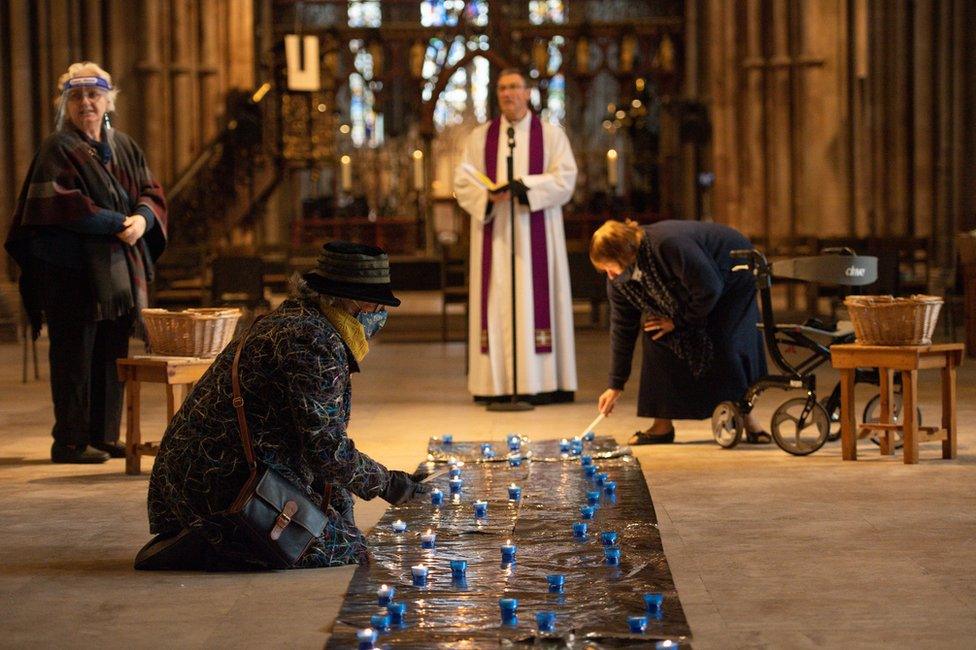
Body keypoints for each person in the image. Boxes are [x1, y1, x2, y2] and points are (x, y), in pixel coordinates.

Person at [141, 242, 431, 570]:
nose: (380, 317)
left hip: (204, 474)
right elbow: (326, 449)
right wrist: (390, 484)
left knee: (342, 533)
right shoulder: (313, 343)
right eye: (377, 306)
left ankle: (210, 534)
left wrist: (339, 514)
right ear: (355, 304)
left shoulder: (300, 320)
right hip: (216, 483)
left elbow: (318, 444)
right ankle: (210, 538)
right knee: (348, 549)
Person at [4, 61, 167, 464]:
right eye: (76, 96)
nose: (86, 103)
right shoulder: (58, 148)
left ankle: (104, 434)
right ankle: (71, 441)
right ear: (65, 104)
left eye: (93, 95)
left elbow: (151, 189)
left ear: (109, 99)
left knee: (111, 352)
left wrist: (142, 219)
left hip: (115, 276)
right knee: (74, 355)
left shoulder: (124, 145)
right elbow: (60, 204)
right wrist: (119, 224)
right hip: (70, 273)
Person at [454, 68, 578, 404]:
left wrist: (527, 188)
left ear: (528, 92)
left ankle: (544, 382)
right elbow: (463, 181)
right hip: (495, 234)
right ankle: (496, 385)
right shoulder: (481, 138)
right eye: (503, 89)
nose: (508, 94)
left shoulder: (551, 136)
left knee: (537, 299)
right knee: (496, 300)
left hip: (535, 228)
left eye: (515, 88)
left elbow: (566, 179)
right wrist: (488, 195)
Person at [591, 219, 770, 444]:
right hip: (697, 288)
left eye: (610, 267)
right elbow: (622, 328)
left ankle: (749, 417)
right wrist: (615, 384)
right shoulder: (619, 280)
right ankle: (662, 425)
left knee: (725, 338)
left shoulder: (668, 245)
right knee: (656, 332)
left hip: (733, 272)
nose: (609, 275)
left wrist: (678, 321)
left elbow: (709, 287)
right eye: (604, 270)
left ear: (626, 255)